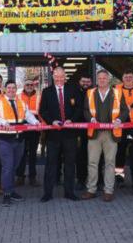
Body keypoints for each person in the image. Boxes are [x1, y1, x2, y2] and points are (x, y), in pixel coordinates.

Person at [0, 80, 39, 207]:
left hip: (19, 139)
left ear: (16, 89)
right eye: (9, 88)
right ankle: (6, 193)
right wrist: (2, 121)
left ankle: (11, 190)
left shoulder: (21, 102)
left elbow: (28, 116)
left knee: (14, 166)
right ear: (5, 89)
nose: (11, 90)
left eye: (13, 88)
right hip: (4, 139)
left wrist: (36, 123)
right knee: (8, 166)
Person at [82, 69, 129, 202]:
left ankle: (108, 191)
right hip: (94, 133)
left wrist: (119, 119)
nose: (102, 80)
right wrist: (91, 119)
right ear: (97, 80)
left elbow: (125, 110)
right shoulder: (90, 93)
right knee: (92, 162)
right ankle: (91, 189)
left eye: (104, 78)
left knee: (110, 162)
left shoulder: (118, 92)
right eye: (100, 78)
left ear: (108, 80)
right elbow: (85, 110)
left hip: (111, 133)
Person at [38, 67, 82, 203]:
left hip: (70, 134)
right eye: (56, 76)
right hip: (53, 134)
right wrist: (52, 121)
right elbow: (42, 111)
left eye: (61, 76)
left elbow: (79, 108)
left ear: (65, 76)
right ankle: (47, 193)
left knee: (70, 164)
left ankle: (69, 192)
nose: (59, 79)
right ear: (53, 77)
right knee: (51, 164)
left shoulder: (73, 90)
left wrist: (71, 120)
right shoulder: (47, 92)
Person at [114, 70, 133, 179]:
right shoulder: (116, 89)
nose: (128, 79)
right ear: (122, 78)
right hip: (121, 124)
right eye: (126, 77)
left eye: (130, 77)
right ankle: (119, 176)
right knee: (120, 151)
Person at [17, 79, 41, 187]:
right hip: (22, 127)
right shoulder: (18, 96)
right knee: (21, 153)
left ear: (34, 86)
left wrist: (41, 125)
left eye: (31, 84)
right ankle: (20, 176)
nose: (29, 86)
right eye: (27, 84)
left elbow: (41, 112)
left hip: (34, 128)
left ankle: (32, 177)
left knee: (33, 154)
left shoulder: (39, 97)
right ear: (24, 85)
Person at [75, 75, 92, 190]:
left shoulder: (94, 92)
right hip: (79, 130)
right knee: (80, 156)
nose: (85, 83)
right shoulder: (75, 92)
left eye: (88, 81)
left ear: (91, 82)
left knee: (96, 156)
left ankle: (98, 180)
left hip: (94, 128)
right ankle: (81, 180)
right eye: (83, 81)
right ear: (79, 81)